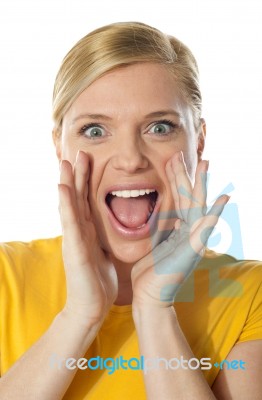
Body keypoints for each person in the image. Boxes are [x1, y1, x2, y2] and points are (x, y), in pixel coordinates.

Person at [0, 21, 261, 400]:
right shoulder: (6, 278)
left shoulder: (249, 297)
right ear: (59, 146)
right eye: (94, 130)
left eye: (159, 127)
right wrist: (79, 317)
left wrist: (155, 311)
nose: (130, 159)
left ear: (199, 140)